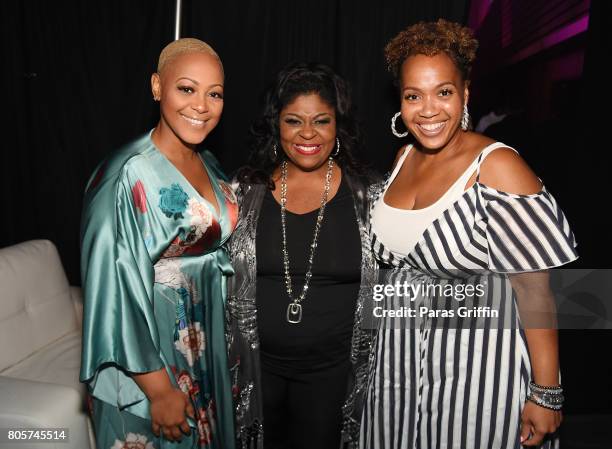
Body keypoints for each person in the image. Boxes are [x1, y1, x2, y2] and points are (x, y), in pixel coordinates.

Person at [360, 20, 578, 449]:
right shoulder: (403, 156)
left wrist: (546, 393)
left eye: (443, 92)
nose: (428, 110)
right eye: (413, 96)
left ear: (465, 94)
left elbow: (536, 293)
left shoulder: (497, 166)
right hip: (396, 367)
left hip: (478, 373)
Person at [80, 38, 238, 449]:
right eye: (187, 88)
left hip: (203, 345)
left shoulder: (207, 160)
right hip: (151, 360)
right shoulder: (124, 174)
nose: (201, 105)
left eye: (214, 93)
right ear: (156, 87)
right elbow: (112, 290)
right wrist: (158, 391)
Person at [225, 62, 378, 449]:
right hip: (255, 370)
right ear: (276, 125)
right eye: (294, 120)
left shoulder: (372, 196)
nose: (307, 133)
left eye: (321, 121)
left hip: (334, 374)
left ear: (337, 126)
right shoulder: (244, 191)